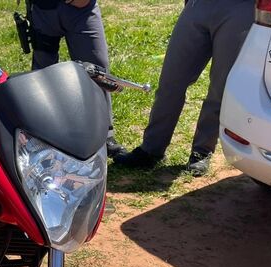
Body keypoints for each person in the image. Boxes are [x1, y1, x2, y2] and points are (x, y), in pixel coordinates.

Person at [113, 0, 254, 175]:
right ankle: (151, 149)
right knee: (171, 80)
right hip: (198, 6)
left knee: (220, 88)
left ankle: (202, 151)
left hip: (241, 8)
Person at [28, 0, 124, 157]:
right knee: (41, 76)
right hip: (43, 8)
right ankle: (42, 136)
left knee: (97, 71)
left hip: (81, 8)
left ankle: (104, 135)